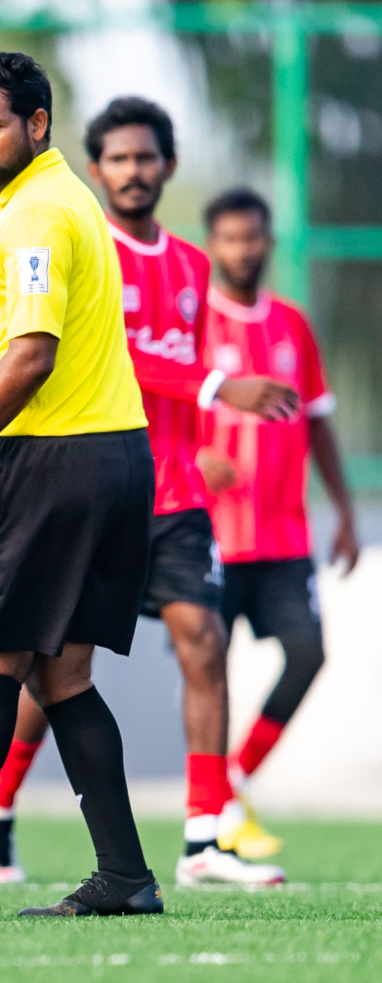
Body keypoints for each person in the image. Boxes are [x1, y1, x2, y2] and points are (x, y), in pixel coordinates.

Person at [0, 99, 295, 887]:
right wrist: (223, 387)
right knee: (48, 670)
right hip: (96, 486)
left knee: (204, 641)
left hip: (174, 490)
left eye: (146, 158)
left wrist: (210, 440)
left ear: (168, 167)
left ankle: (204, 839)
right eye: (118, 159)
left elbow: (176, 368)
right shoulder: (87, 243)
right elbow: (126, 360)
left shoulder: (187, 263)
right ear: (96, 169)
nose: (133, 171)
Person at [0, 53, 160, 918]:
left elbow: (31, 357)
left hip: (52, 463)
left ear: (37, 125)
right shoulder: (52, 200)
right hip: (115, 456)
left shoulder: (39, 214)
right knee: (63, 675)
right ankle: (124, 876)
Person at [198, 188, 359, 852]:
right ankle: (210, 814)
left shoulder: (292, 325)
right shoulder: (192, 325)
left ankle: (231, 785)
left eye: (254, 236)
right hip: (206, 536)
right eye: (232, 237)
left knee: (308, 654)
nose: (244, 248)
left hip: (284, 537)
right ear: (213, 244)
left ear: (267, 241)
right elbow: (155, 408)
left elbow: (317, 420)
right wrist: (192, 460)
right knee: (203, 671)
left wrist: (346, 510)